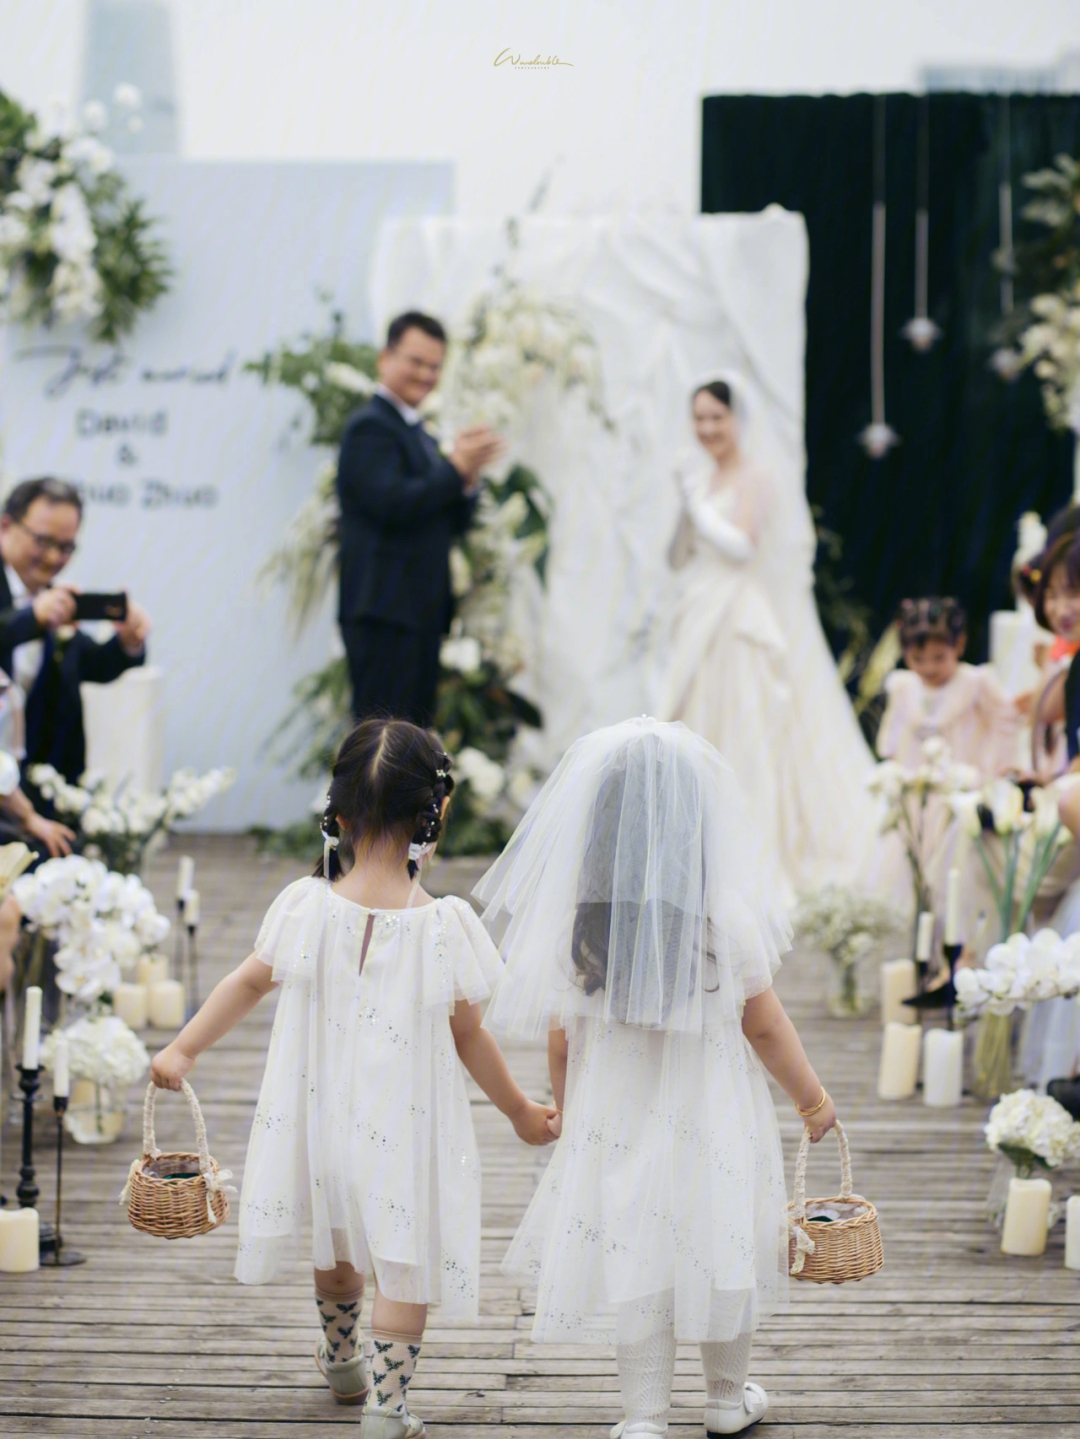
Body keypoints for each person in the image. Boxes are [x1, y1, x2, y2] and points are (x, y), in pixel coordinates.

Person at [151, 717, 556, 1439]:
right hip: (404, 1130)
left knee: (334, 1247)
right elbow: (471, 1037)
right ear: (435, 814)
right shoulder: (444, 924)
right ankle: (388, 1407)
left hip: (318, 1121)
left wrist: (181, 1050)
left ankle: (342, 1360)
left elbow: (245, 983)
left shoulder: (306, 906)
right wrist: (522, 1109)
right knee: (404, 1271)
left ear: (336, 815)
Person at [475, 717, 838, 1438]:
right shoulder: (721, 919)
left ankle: (644, 1414)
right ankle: (725, 1399)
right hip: (714, 1123)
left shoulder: (579, 931)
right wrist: (812, 1097)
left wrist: (575, 1116)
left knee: (639, 1254)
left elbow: (560, 1038)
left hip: (621, 1123)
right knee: (722, 1244)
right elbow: (764, 1025)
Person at [655, 375, 876, 901]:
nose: (708, 428)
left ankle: (745, 850)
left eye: (717, 417)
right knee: (694, 718)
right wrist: (688, 507)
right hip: (700, 611)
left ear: (736, 421)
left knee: (742, 721)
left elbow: (740, 549)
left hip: (737, 614)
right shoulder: (703, 479)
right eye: (700, 418)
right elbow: (678, 557)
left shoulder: (755, 477)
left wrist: (698, 503)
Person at [336, 311, 505, 727]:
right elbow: (393, 504)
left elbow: (447, 519)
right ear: (385, 358)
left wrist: (466, 476)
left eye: (435, 366)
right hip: (384, 614)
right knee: (383, 743)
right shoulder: (370, 429)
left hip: (417, 614)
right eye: (416, 361)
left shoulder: (419, 433)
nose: (427, 374)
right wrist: (453, 468)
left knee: (411, 740)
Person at [0, 477, 151, 783]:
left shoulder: (55, 600)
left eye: (66, 547)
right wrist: (32, 618)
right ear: (5, 528)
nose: (54, 558)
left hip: (43, 787)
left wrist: (127, 642)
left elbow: (92, 664)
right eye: (43, 542)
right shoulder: (41, 608)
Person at [876, 598, 1018, 778]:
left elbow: (1005, 723)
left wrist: (993, 770)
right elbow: (893, 731)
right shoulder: (903, 686)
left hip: (961, 783)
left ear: (959, 645)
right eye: (918, 659)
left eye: (939, 658)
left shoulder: (975, 682)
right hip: (912, 780)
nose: (929, 668)